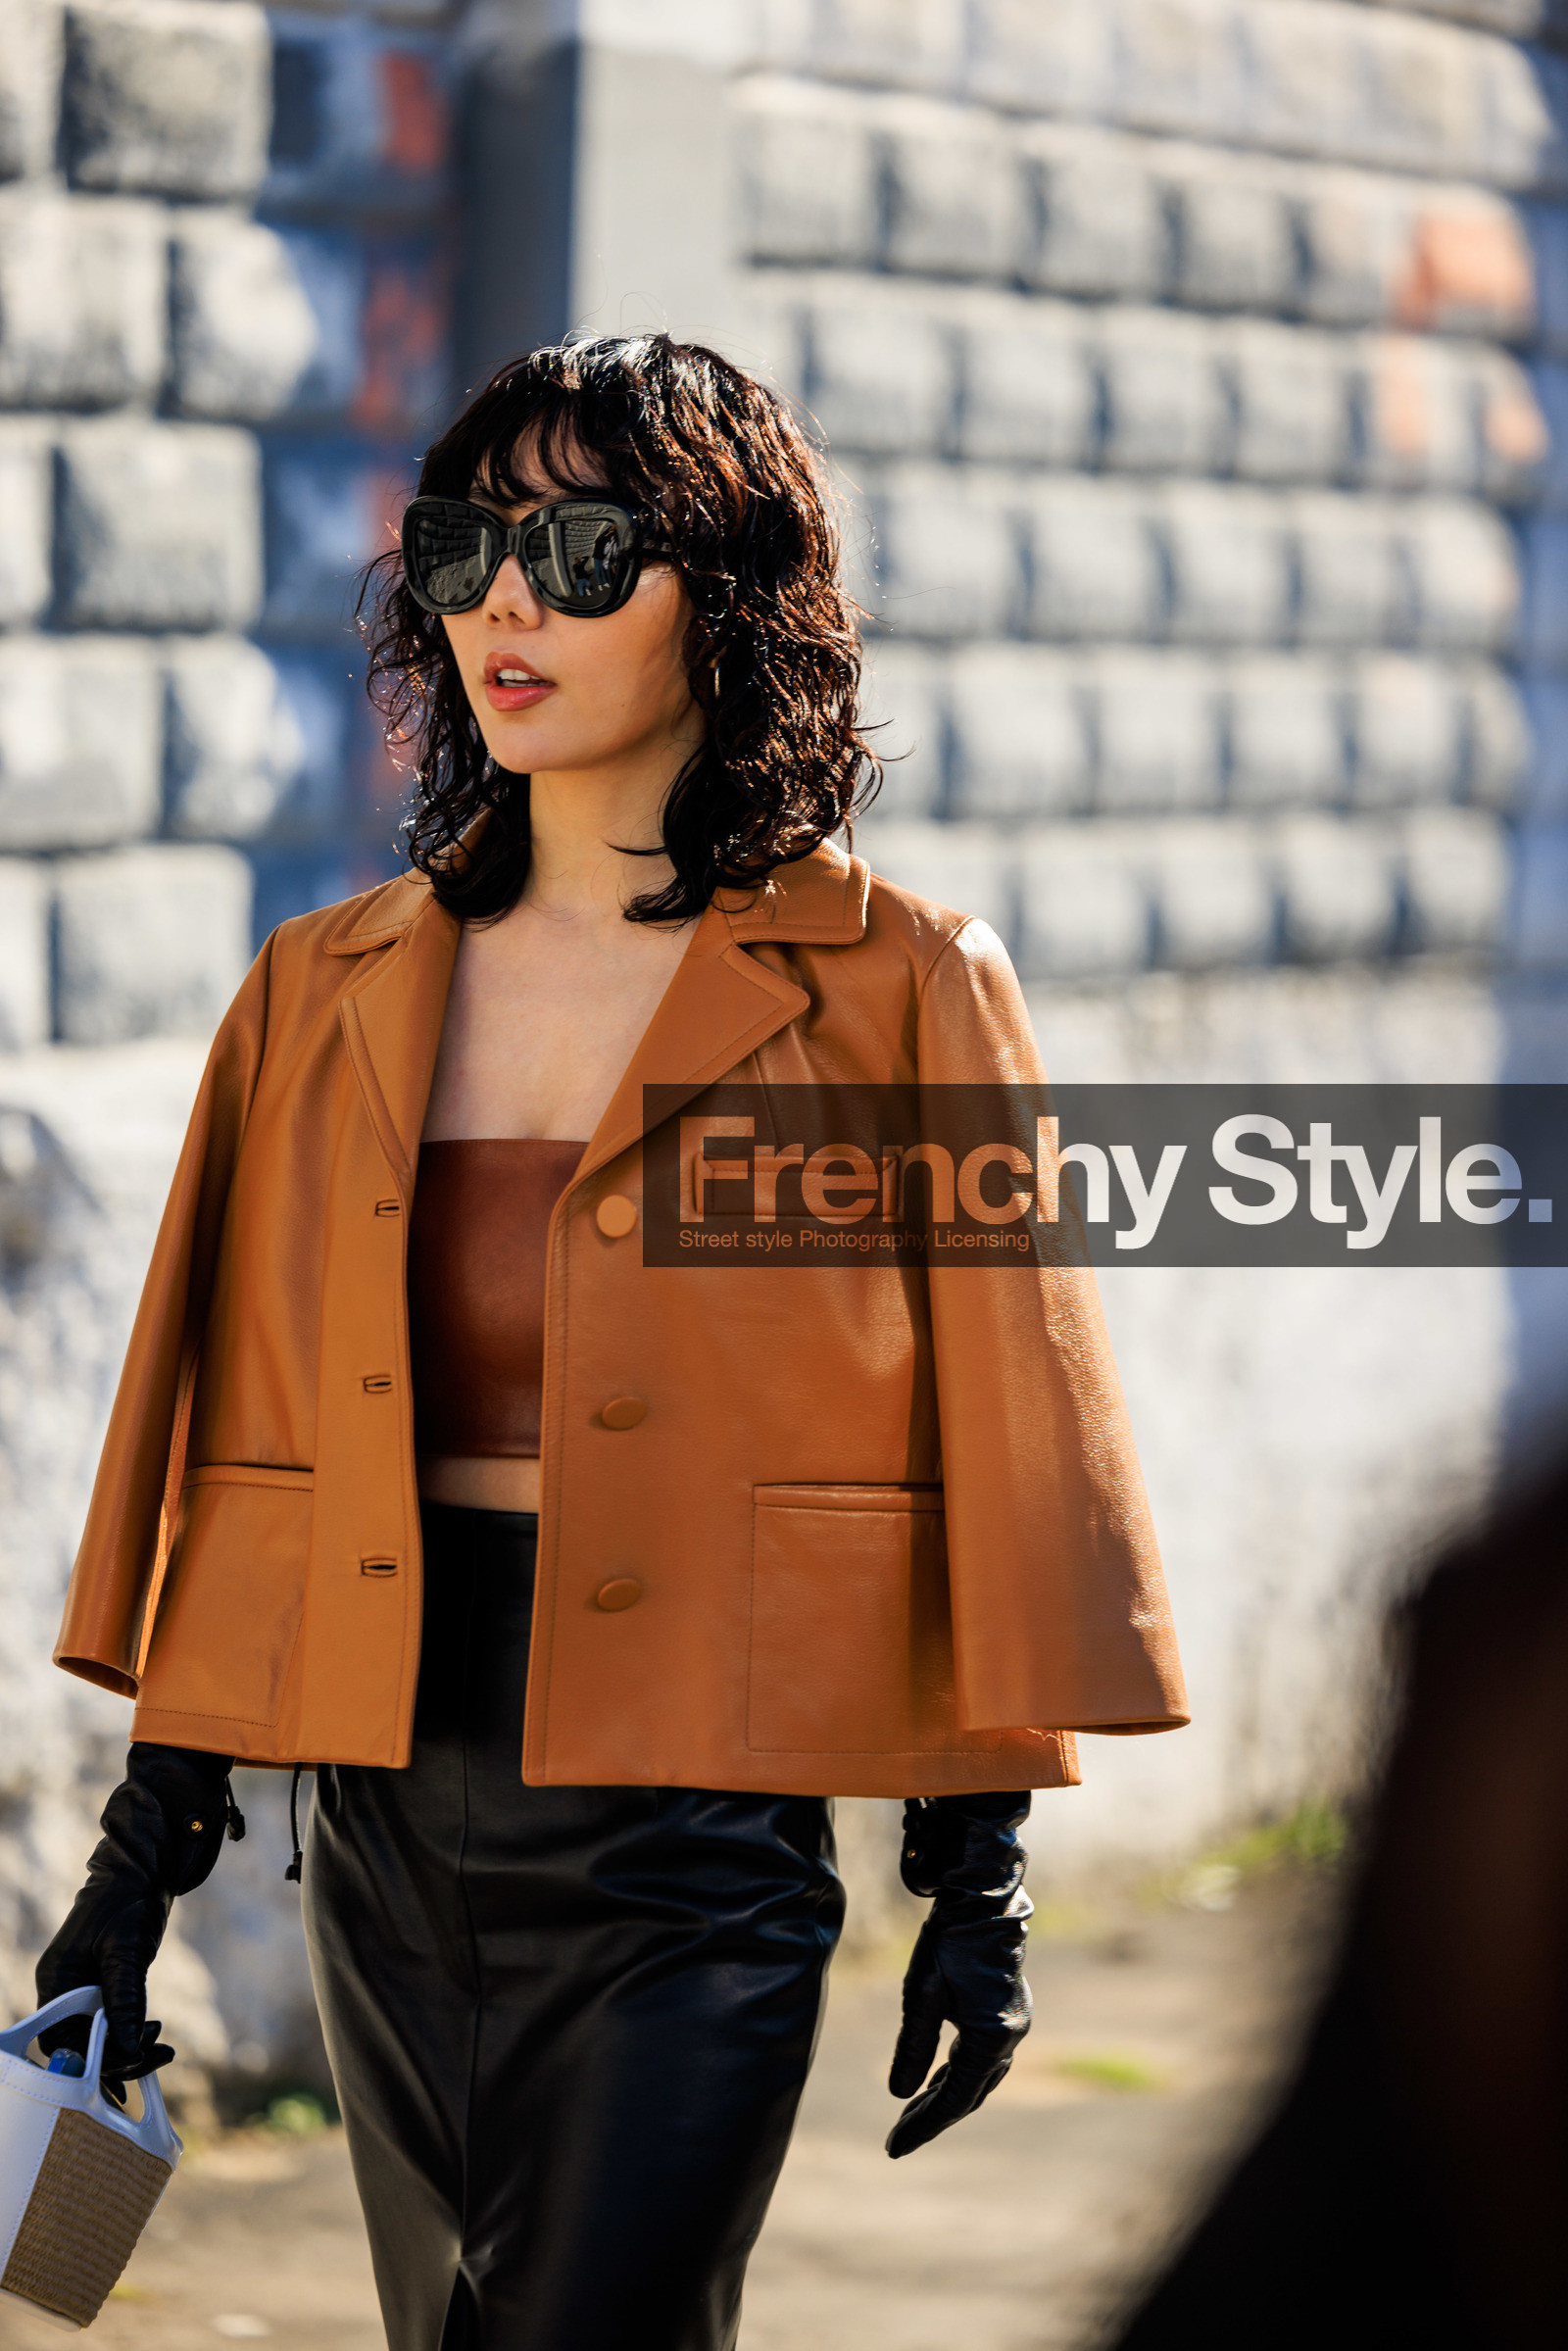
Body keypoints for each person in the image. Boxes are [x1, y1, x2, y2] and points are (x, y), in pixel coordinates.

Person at [36, 334, 1188, 2351]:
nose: (507, 601)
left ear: (727, 598)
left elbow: (1008, 1441)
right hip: (387, 1836)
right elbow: (247, 1446)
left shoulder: (899, 984)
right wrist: (143, 1862)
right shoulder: (316, 992)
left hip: (696, 1853)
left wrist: (976, 1873)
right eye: (464, 546)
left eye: (582, 551)